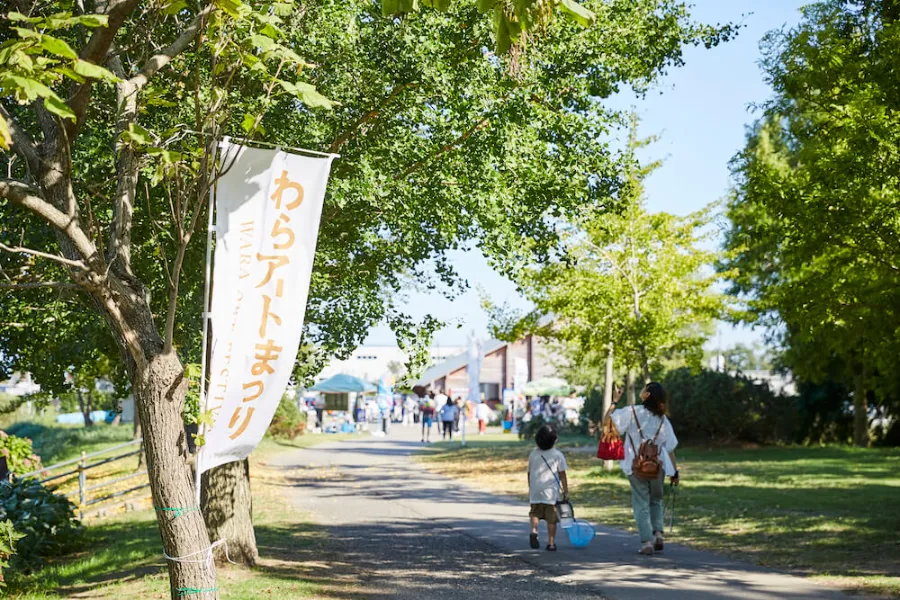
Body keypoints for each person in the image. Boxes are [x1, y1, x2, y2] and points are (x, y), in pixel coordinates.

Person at [608, 382, 679, 555]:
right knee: (656, 500)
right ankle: (659, 534)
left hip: (636, 465)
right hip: (658, 466)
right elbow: (670, 447)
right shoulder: (662, 418)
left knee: (641, 503)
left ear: (646, 395)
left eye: (645, 388)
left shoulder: (632, 412)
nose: (641, 389)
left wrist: (614, 402)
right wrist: (675, 471)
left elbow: (610, 425)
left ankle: (647, 542)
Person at [528, 424, 568, 552]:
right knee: (552, 520)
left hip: (535, 492)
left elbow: (529, 473)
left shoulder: (533, 454)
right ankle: (551, 543)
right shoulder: (557, 454)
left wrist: (531, 487)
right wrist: (566, 491)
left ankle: (534, 531)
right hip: (550, 494)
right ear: (554, 440)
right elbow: (562, 475)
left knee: (535, 514)